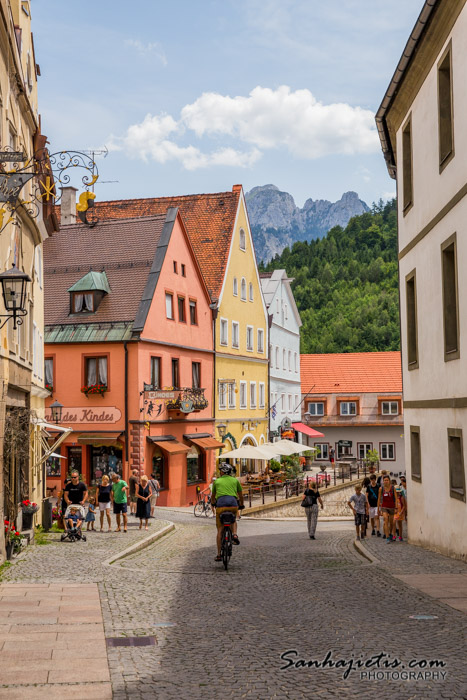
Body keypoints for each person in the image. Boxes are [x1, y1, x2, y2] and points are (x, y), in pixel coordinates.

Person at [211, 463, 244, 562]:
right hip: (233, 504)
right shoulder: (235, 480)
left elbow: (213, 496)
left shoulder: (217, 481)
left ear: (222, 472)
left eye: (220, 470)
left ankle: (218, 555)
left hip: (221, 505)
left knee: (220, 530)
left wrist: (213, 503)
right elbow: (240, 495)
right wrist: (241, 505)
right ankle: (234, 534)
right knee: (233, 520)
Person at [377, 474, 397, 542]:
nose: (386, 481)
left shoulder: (393, 488)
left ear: (389, 481)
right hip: (384, 506)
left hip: (391, 507)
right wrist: (378, 509)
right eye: (384, 480)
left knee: (391, 523)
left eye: (387, 480)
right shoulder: (381, 489)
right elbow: (379, 499)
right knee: (385, 519)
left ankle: (391, 533)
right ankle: (387, 536)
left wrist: (396, 508)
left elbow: (396, 499)